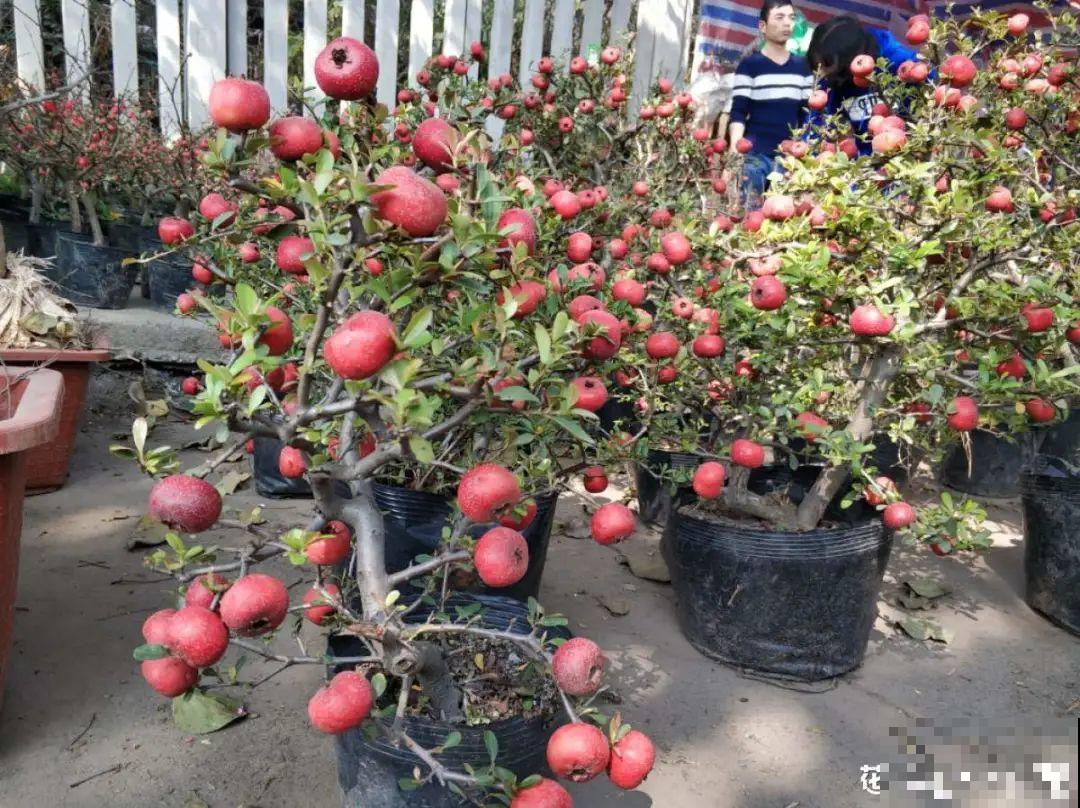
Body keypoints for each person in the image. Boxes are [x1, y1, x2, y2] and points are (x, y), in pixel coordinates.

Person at [725, 1, 814, 207]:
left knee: (782, 222)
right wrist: (734, 152)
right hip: (754, 158)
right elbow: (738, 112)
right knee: (748, 215)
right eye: (779, 17)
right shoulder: (749, 65)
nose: (787, 24)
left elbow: (806, 115)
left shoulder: (803, 68)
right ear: (762, 27)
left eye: (791, 18)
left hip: (788, 159)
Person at [805, 15, 921, 155]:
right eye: (818, 68)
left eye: (827, 64)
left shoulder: (898, 61)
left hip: (912, 152)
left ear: (848, 60)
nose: (822, 73)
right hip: (868, 164)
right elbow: (816, 126)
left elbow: (933, 85)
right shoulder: (831, 78)